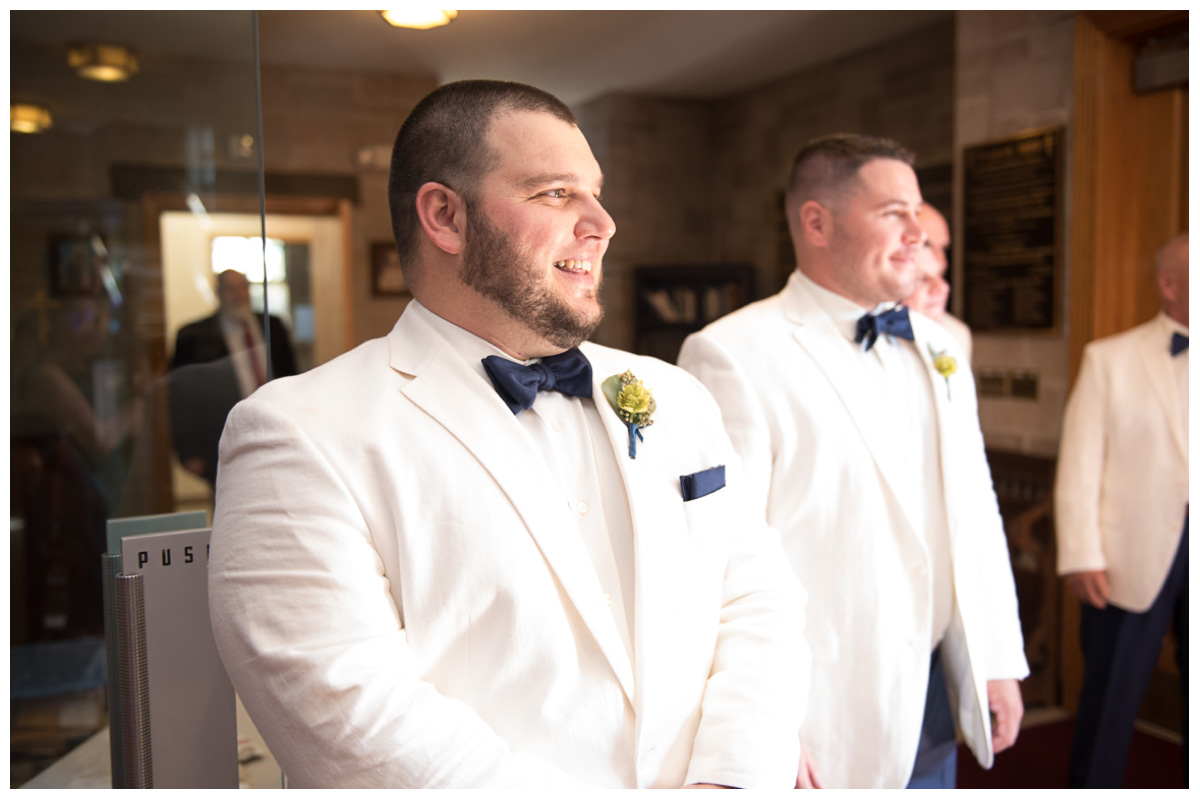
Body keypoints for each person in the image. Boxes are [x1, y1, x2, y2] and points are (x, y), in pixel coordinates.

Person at [207, 80, 808, 789]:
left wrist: (733, 776)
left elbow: (757, 598)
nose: (603, 222)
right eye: (556, 193)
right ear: (445, 217)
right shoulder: (297, 434)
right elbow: (349, 712)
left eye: (596, 191)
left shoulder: (673, 394)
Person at [678, 134, 1028, 789]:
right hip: (821, 705)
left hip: (934, 689)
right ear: (817, 221)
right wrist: (757, 723)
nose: (918, 233)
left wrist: (997, 657)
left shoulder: (938, 346)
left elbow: (974, 506)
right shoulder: (731, 353)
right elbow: (713, 561)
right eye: (895, 212)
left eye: (918, 213)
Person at [1055, 232, 1189, 788]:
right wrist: (1081, 554)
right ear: (1169, 285)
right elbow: (1080, 463)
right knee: (1110, 698)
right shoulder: (1109, 358)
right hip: (1129, 558)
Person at [168, 269, 297, 485]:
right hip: (222, 438)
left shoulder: (273, 326)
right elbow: (181, 397)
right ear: (218, 292)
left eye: (243, 287)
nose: (239, 294)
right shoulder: (194, 336)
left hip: (274, 430)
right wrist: (188, 450)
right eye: (231, 288)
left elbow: (291, 377)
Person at [900, 204, 973, 361]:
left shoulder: (957, 334)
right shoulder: (866, 323)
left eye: (944, 248)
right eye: (927, 244)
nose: (942, 261)